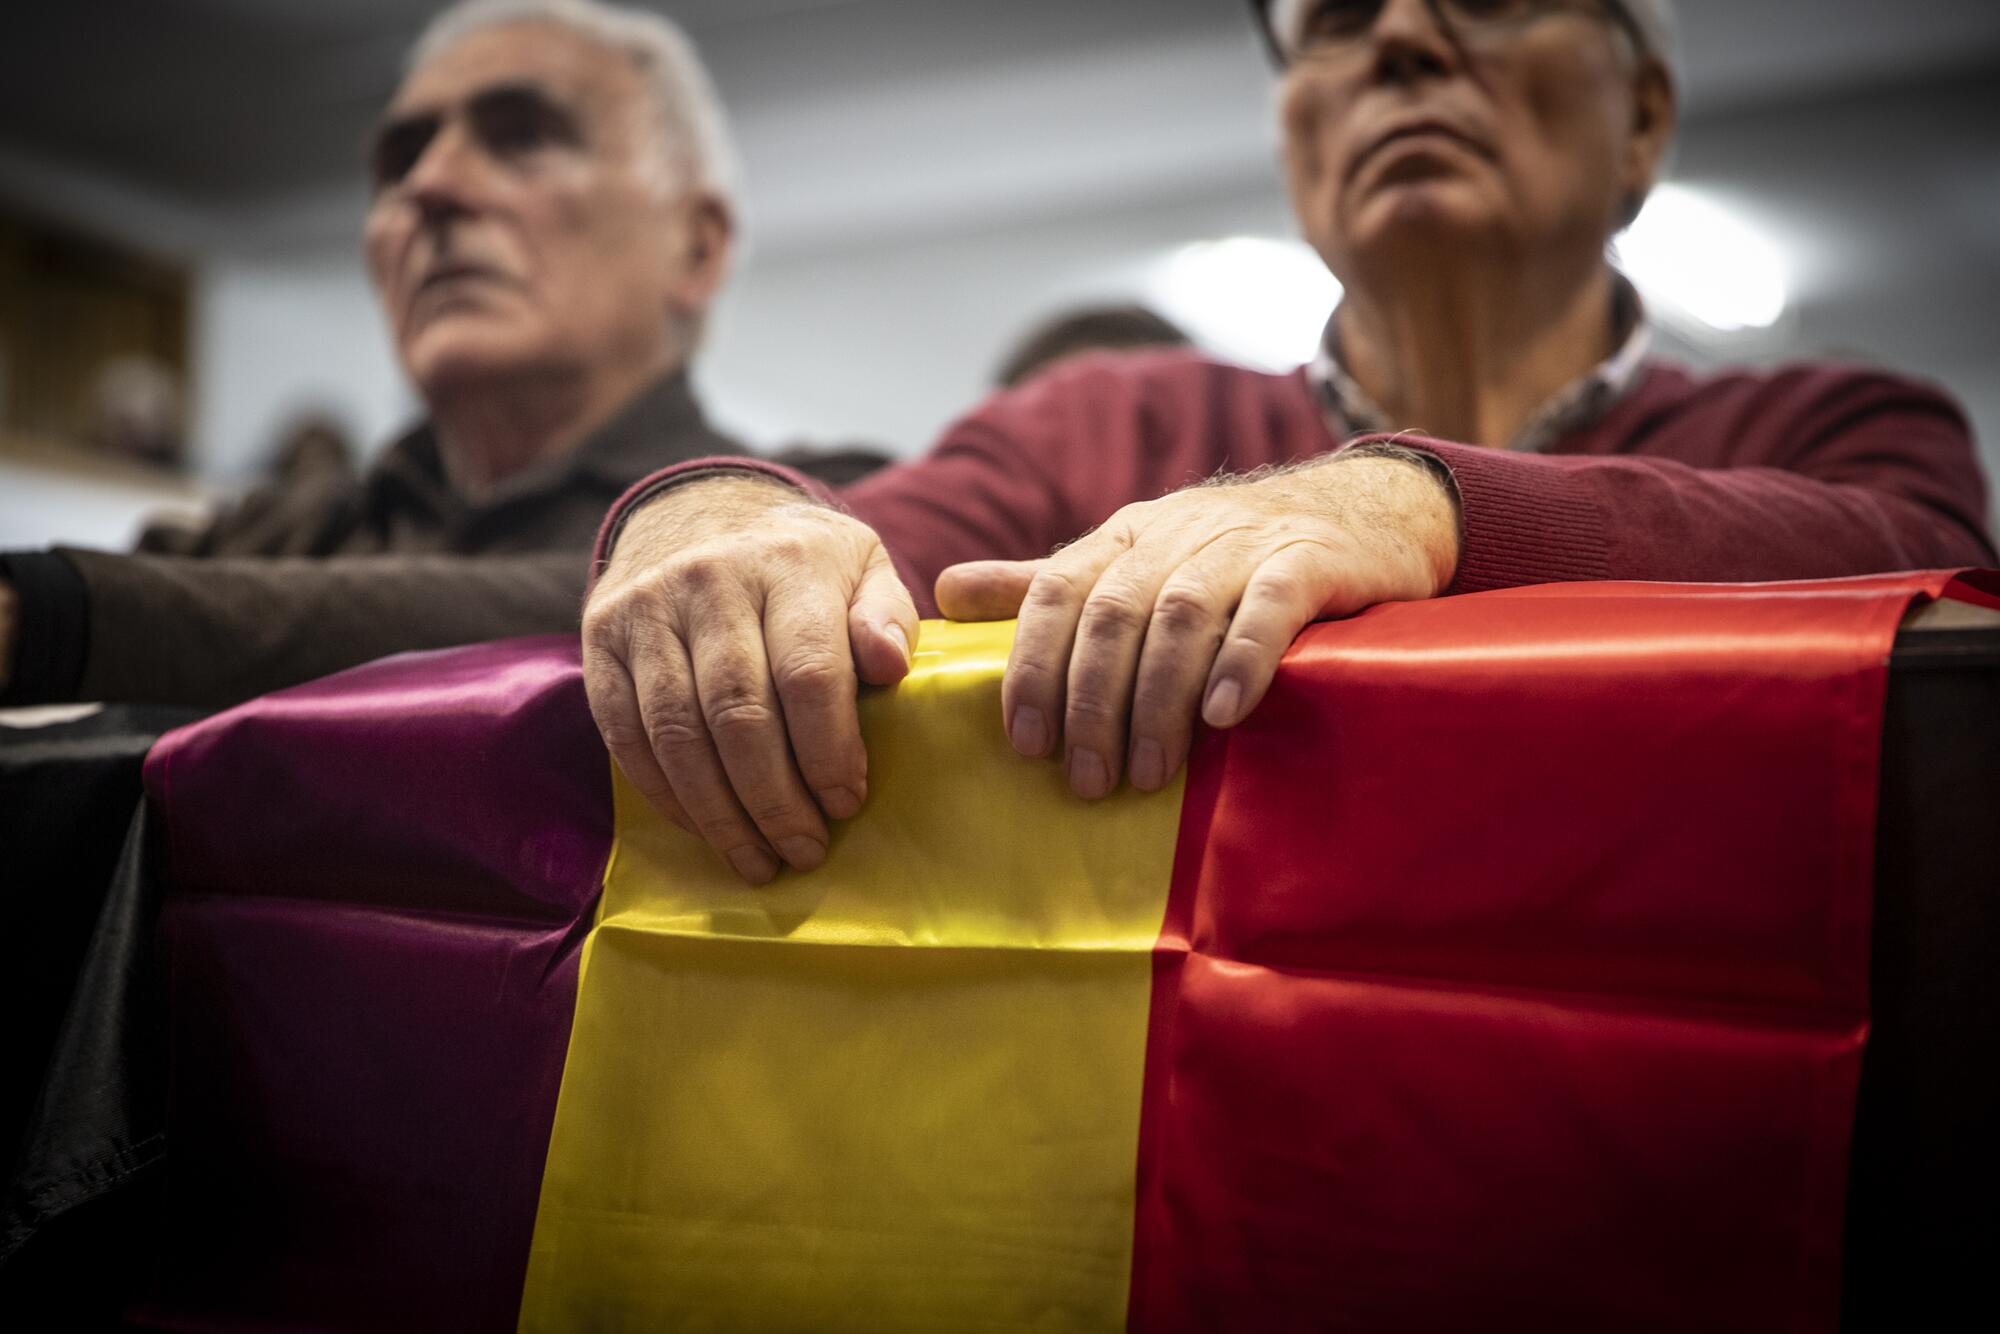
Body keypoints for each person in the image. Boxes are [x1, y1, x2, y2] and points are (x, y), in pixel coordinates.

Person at [580, 0, 1995, 888]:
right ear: (1293, 135)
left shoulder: (1839, 427)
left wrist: (1417, 507)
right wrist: (704, 513)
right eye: (1328, 20)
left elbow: (1917, 565)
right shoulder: (1105, 421)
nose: (1397, 37)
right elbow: (835, 532)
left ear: (1642, 116)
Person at [0, 0, 858, 708]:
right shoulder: (268, 532)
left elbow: (610, 599)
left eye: (522, 135)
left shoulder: (827, 513)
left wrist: (54, 616)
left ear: (695, 247)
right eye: (399, 160)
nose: (429, 189)